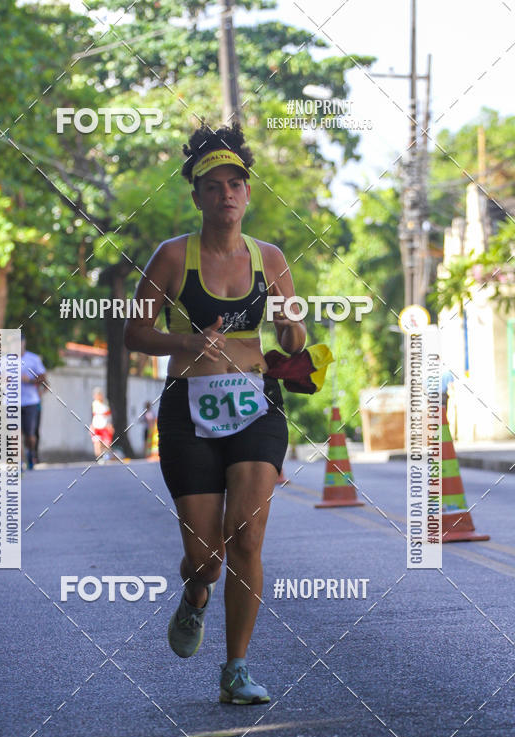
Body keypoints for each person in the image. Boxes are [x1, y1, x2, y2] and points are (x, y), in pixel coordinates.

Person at [124, 123, 306, 704]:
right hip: (188, 412)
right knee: (206, 558)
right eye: (214, 185)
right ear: (197, 195)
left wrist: (290, 329)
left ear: (248, 194)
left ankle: (235, 669)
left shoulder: (271, 259)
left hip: (256, 406)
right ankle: (196, 593)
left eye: (236, 184)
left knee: (249, 537)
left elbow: (297, 338)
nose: (227, 193)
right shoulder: (172, 257)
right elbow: (135, 332)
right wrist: (183, 344)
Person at [20, 335, 48, 470]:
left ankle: (31, 452)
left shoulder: (33, 359)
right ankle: (17, 461)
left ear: (24, 343)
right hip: (11, 402)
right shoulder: (4, 360)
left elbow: (44, 379)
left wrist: (29, 381)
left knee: (30, 435)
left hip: (30, 402)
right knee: (14, 433)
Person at [90, 387, 114, 462]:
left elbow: (109, 416)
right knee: (97, 444)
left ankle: (106, 457)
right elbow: (93, 416)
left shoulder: (105, 403)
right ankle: (99, 459)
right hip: (96, 428)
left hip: (105, 427)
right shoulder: (94, 404)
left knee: (106, 445)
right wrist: (92, 426)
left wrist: (110, 425)